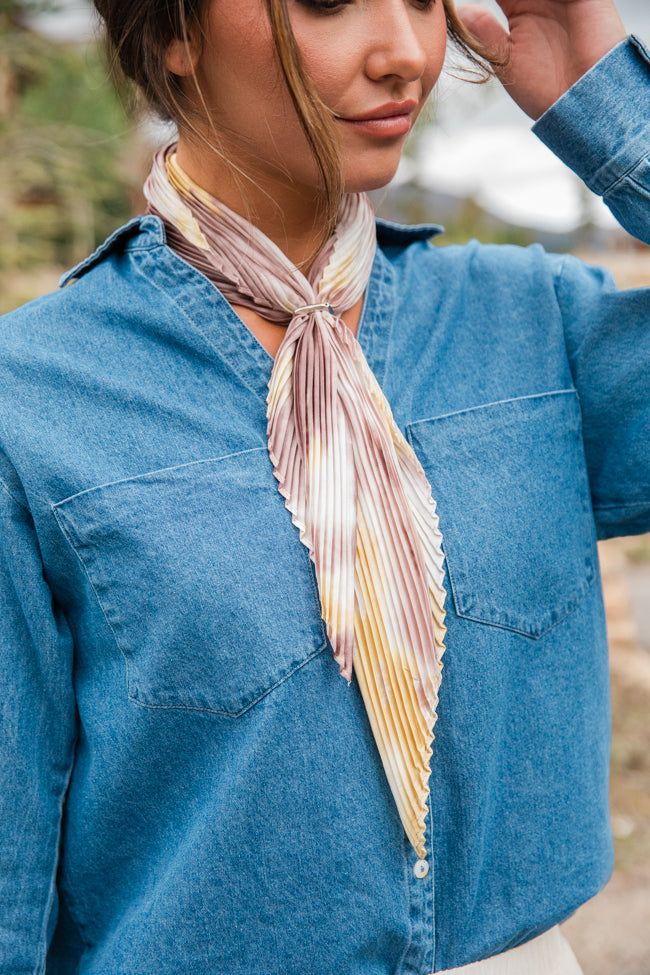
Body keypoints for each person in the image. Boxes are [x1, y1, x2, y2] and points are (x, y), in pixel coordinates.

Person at [0, 0, 648, 971]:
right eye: (331, 0)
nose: (402, 54)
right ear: (174, 30)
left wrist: (597, 95)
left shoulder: (529, 327)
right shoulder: (35, 402)